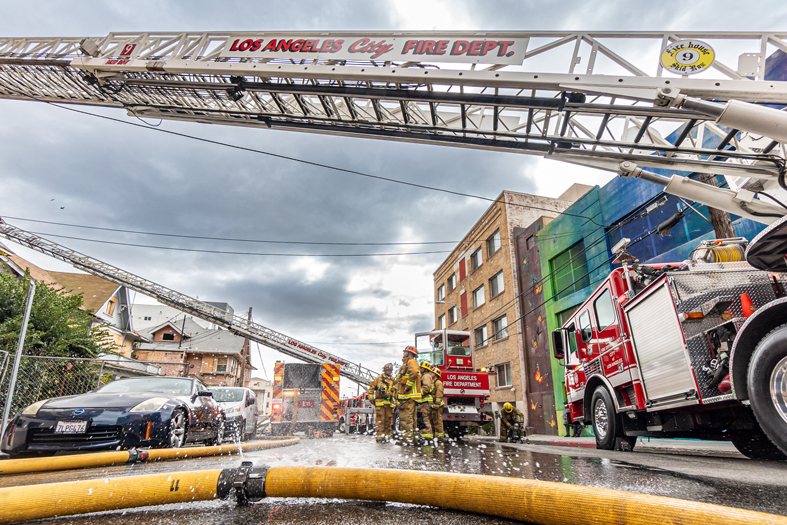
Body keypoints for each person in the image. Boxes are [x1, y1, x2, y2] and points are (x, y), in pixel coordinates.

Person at [395, 346, 421, 445]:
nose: (403, 353)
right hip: (408, 397)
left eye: (405, 352)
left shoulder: (411, 362)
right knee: (411, 420)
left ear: (409, 353)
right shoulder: (407, 363)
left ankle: (407, 440)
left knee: (405, 419)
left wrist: (407, 387)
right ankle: (412, 440)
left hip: (408, 396)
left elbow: (414, 373)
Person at [367, 363, 396, 442]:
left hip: (389, 404)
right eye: (388, 370)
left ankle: (387, 436)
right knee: (380, 420)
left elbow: (396, 391)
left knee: (388, 421)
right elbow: (371, 389)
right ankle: (380, 436)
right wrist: (371, 398)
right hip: (380, 402)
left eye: (390, 370)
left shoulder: (393, 380)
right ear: (385, 370)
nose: (389, 372)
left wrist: (391, 396)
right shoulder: (378, 379)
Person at [417, 361, 434, 443]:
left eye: (421, 368)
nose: (420, 369)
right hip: (423, 402)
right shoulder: (424, 376)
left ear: (425, 369)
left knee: (425, 419)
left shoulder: (426, 376)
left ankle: (427, 437)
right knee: (421, 419)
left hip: (425, 401)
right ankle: (423, 436)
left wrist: (417, 395)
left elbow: (426, 388)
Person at [430, 367, 445, 442]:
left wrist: (437, 404)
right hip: (433, 406)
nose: (430, 374)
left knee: (438, 422)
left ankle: (440, 438)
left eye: (432, 373)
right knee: (432, 421)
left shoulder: (438, 383)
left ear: (435, 374)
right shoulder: (433, 382)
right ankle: (434, 436)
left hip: (438, 406)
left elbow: (439, 394)